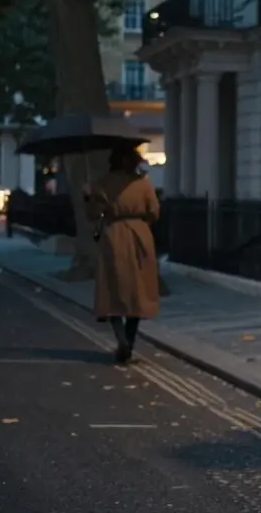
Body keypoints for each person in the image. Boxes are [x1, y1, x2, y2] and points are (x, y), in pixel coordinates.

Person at [85, 145, 161, 364]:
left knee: (113, 290)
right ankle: (129, 339)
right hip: (140, 235)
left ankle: (122, 341)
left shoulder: (103, 183)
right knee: (138, 289)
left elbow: (92, 215)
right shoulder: (143, 183)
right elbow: (154, 212)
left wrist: (88, 196)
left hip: (114, 235)